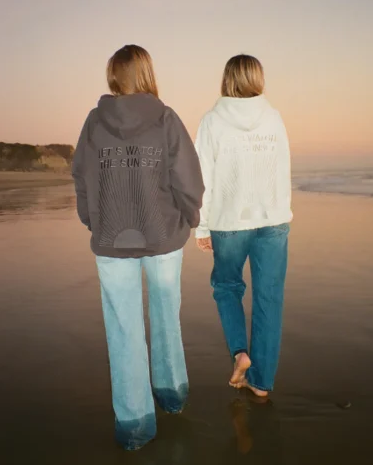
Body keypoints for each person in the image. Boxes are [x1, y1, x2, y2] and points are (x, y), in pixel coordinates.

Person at [72, 44, 204, 450]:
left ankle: (134, 425)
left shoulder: (94, 122)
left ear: (114, 75)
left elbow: (81, 176)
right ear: (147, 73)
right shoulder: (165, 118)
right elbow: (189, 180)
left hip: (111, 240)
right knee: (166, 318)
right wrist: (191, 217)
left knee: (123, 330)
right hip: (163, 237)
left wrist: (93, 220)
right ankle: (172, 394)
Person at [195, 54, 292, 398]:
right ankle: (261, 384)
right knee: (269, 299)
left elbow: (203, 177)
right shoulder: (274, 118)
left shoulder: (212, 121)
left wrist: (202, 226)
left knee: (227, 287)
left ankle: (240, 353)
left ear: (227, 79)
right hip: (273, 221)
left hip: (230, 222)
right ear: (257, 78)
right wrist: (282, 213)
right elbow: (282, 169)